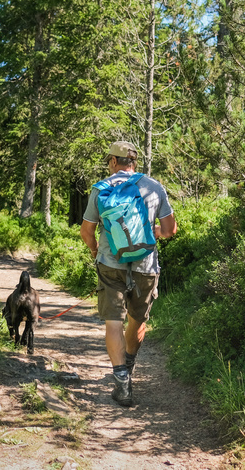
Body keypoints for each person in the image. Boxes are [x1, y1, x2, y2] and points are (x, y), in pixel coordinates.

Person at [80, 141, 177, 407]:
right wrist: (152, 233)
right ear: (134, 162)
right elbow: (169, 230)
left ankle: (122, 383)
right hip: (146, 265)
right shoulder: (154, 187)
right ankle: (129, 367)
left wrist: (96, 253)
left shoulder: (100, 189)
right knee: (137, 319)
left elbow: (86, 232)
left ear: (113, 161)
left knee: (113, 321)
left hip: (110, 265)